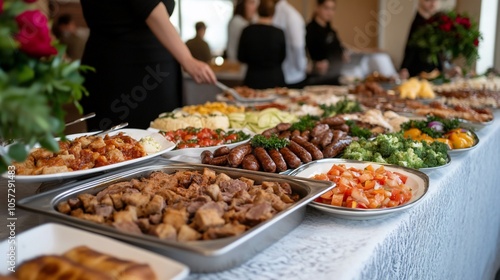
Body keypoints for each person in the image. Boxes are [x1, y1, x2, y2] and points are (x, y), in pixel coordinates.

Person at [79, 0, 216, 131]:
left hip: (130, 68)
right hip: (132, 73)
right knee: (139, 142)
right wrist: (187, 59)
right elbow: (150, 8)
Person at [238, 0, 286, 89]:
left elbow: (241, 57)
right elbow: (283, 57)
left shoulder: (247, 31)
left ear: (258, 10)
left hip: (253, 79)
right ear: (273, 13)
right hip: (274, 79)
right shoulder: (279, 33)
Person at [306, 0, 344, 85]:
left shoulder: (331, 31)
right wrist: (314, 65)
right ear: (317, 8)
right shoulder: (309, 30)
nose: (330, 12)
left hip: (334, 78)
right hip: (317, 80)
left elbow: (340, 49)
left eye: (332, 9)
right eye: (326, 8)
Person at [400, 0, 441, 78]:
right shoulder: (418, 23)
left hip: (435, 72)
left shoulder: (437, 21)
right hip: (417, 72)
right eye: (428, 0)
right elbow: (410, 48)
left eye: (436, 0)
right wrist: (404, 68)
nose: (433, 4)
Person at [273, 0, 307, 88]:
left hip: (291, 77)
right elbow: (298, 46)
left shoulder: (290, 15)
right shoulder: (292, 15)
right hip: (290, 75)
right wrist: (302, 66)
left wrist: (302, 66)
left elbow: (298, 47)